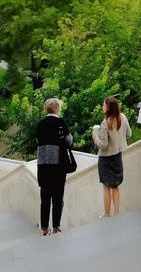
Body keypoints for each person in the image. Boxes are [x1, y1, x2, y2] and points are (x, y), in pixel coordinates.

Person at [36, 97, 73, 236]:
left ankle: (45, 229)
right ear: (57, 108)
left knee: (45, 199)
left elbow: (38, 141)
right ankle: (56, 227)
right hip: (58, 165)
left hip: (43, 166)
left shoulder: (40, 124)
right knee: (58, 198)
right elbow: (69, 141)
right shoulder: (60, 122)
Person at [92, 97, 132, 218]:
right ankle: (117, 213)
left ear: (108, 107)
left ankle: (107, 214)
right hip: (117, 156)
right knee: (115, 186)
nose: (102, 106)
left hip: (106, 159)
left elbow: (103, 145)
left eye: (104, 105)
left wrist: (95, 136)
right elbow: (129, 134)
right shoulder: (123, 117)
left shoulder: (105, 123)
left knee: (106, 186)